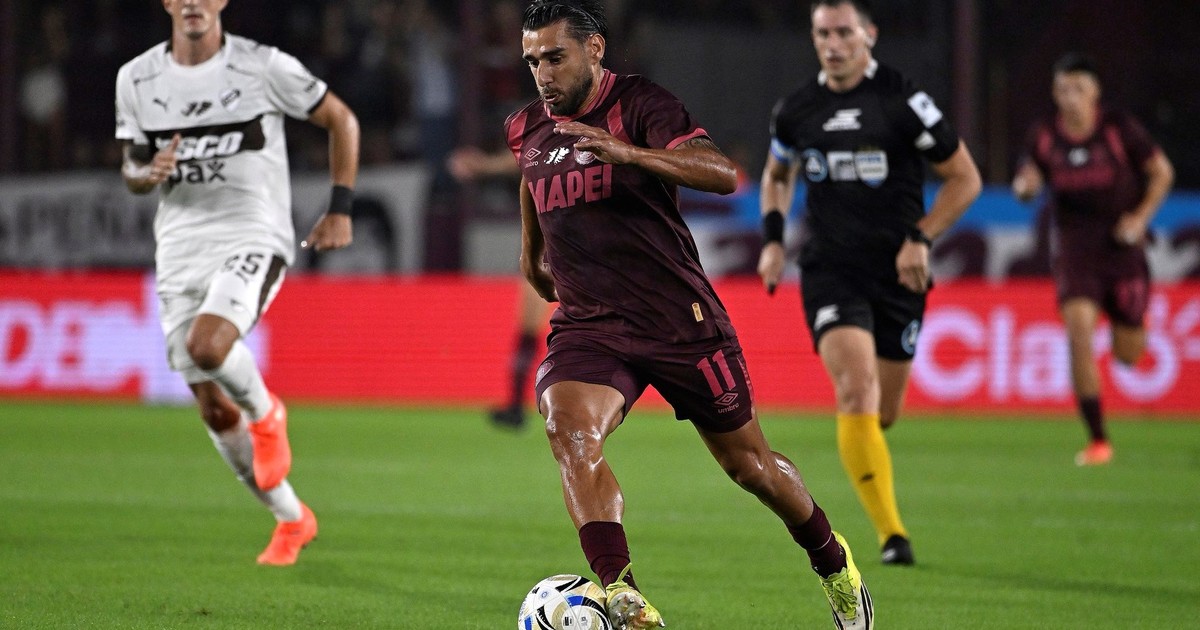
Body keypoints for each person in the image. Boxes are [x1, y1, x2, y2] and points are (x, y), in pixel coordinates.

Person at [511, 2, 872, 628]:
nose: (543, 74)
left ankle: (833, 560)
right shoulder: (527, 126)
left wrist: (630, 155)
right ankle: (620, 591)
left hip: (678, 320)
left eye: (555, 57)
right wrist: (530, 253)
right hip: (590, 325)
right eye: (532, 61)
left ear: (594, 49)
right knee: (569, 430)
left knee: (750, 467)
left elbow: (722, 173)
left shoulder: (642, 105)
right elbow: (531, 174)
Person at [115, 0, 360, 566]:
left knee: (209, 345)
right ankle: (291, 519)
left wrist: (340, 207)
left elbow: (342, 119)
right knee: (212, 408)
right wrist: (144, 174)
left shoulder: (262, 66)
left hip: (253, 232)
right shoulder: (137, 77)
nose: (193, 3)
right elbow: (132, 163)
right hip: (179, 248)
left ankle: (267, 414)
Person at [757, 0, 982, 567]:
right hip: (831, 270)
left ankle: (873, 471)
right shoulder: (797, 110)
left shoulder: (904, 101)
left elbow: (965, 178)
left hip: (900, 272)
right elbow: (777, 173)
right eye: (822, 34)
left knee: (882, 413)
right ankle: (892, 536)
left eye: (843, 33)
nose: (832, 45)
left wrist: (921, 237)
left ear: (869, 35)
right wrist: (774, 239)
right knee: (856, 390)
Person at [1011, 52, 1174, 466]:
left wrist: (1139, 218)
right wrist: (1025, 188)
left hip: (1122, 248)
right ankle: (1099, 439)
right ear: (1054, 92)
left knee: (1128, 354)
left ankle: (1134, 324)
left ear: (1095, 92)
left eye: (1078, 89)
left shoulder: (1118, 128)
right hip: (1075, 251)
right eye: (1063, 89)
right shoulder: (1044, 135)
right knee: (1078, 335)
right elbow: (1028, 180)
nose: (1070, 97)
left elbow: (1162, 172)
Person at [447, 145, 551, 429]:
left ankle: (519, 404)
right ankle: (517, 405)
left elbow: (524, 156)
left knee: (534, 325)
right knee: (531, 325)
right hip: (555, 240)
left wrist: (483, 166)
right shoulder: (565, 133)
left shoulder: (560, 132)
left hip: (559, 240)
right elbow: (525, 157)